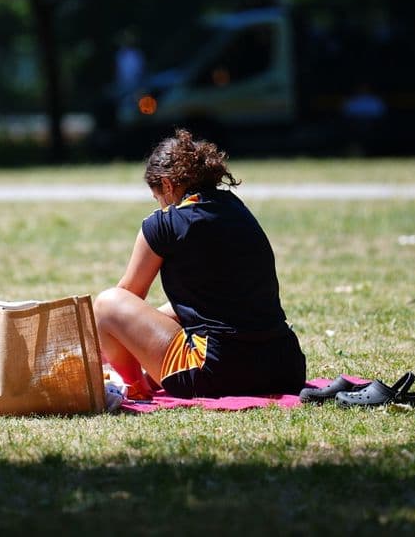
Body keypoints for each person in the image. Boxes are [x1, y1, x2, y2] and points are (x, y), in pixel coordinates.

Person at [93, 129, 306, 399]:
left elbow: (126, 298)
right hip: (284, 366)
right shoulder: (235, 208)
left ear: (167, 184)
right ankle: (148, 378)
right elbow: (208, 303)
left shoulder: (164, 224)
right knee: (175, 314)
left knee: (107, 303)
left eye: (157, 197)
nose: (160, 205)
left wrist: (104, 343)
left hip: (217, 371)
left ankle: (134, 388)